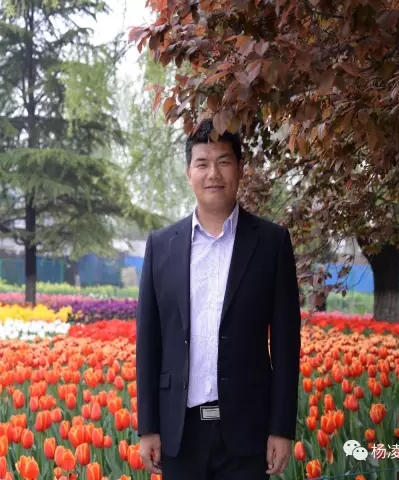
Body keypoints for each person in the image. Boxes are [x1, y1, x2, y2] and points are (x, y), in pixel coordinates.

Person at [136, 119, 302, 480]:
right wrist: (148, 427)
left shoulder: (271, 244)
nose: (213, 173)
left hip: (248, 433)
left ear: (240, 169)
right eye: (202, 163)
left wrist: (281, 428)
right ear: (189, 173)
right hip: (179, 434)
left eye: (224, 162)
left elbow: (287, 345)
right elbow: (148, 342)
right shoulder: (161, 246)